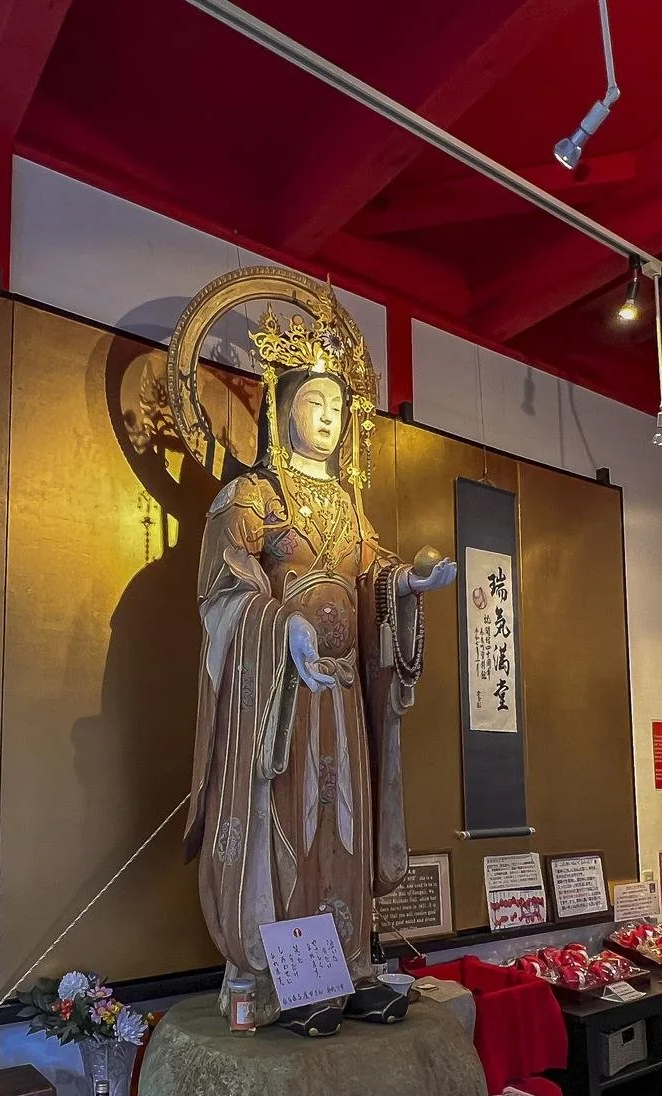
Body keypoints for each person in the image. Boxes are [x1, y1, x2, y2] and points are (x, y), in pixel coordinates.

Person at [184, 305, 455, 1037]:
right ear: (281, 409)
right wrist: (281, 625)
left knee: (343, 829)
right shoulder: (251, 497)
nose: (328, 416)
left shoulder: (345, 504)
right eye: (314, 401)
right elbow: (223, 588)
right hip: (282, 698)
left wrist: (406, 586)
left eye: (339, 405)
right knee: (290, 824)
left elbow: (370, 575)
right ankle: (276, 979)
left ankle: (348, 968)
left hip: (340, 695)